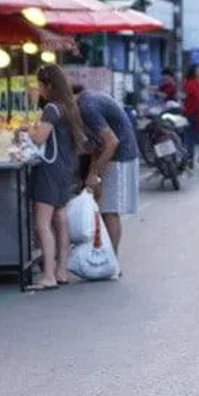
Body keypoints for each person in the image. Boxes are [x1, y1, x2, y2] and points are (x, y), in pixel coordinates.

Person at [24, 64, 88, 291]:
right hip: (65, 168)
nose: (38, 89)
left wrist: (27, 130)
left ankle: (48, 275)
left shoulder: (51, 108)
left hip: (49, 169)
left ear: (47, 85)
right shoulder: (68, 106)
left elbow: (40, 138)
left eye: (39, 85)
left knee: (42, 223)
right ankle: (61, 271)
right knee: (60, 220)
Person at [77, 88, 140, 259]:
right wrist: (93, 174)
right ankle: (109, 256)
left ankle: (111, 261)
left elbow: (111, 142)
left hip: (120, 156)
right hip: (114, 155)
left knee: (109, 210)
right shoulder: (86, 101)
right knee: (104, 206)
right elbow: (96, 145)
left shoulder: (87, 108)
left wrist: (94, 174)